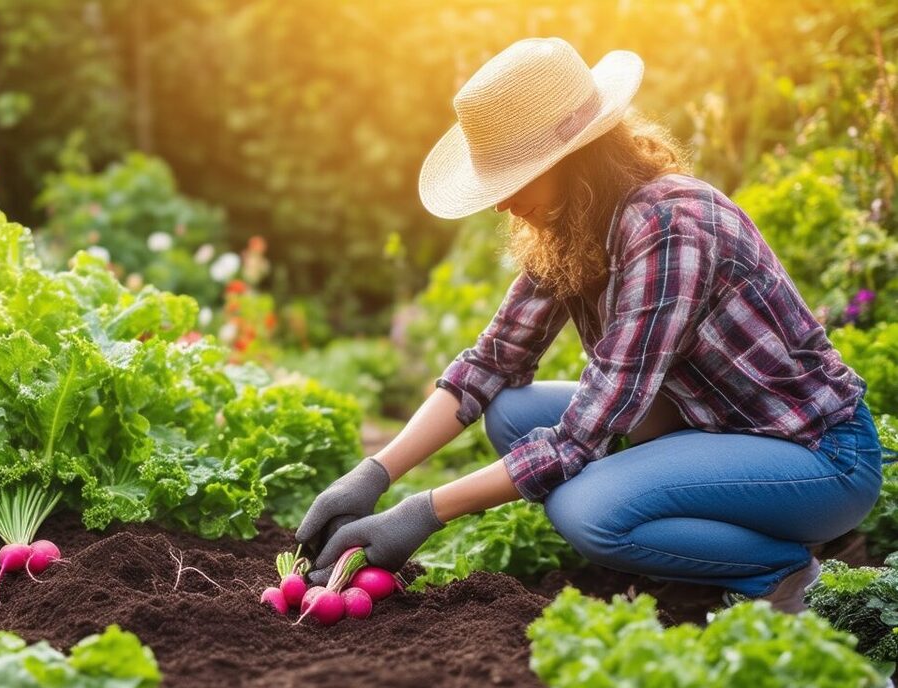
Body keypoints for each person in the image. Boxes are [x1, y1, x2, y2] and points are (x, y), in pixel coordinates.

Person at [297, 37, 896, 614]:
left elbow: (584, 434)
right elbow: (492, 362)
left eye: (515, 179)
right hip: (708, 429)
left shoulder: (669, 227)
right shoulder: (574, 226)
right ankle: (686, 562)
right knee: (511, 411)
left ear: (573, 157)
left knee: (590, 511)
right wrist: (374, 474)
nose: (502, 204)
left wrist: (424, 511)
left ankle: (779, 572)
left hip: (812, 457)